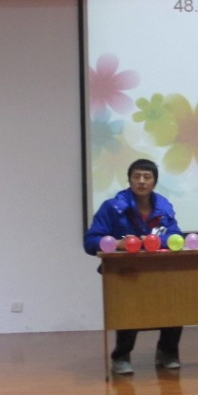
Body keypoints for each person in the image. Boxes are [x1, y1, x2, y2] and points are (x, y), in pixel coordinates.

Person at [83, 159, 183, 375]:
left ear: (154, 181)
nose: (142, 181)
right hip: (125, 271)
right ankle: (121, 356)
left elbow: (176, 237)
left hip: (160, 270)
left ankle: (167, 353)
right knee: (129, 311)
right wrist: (117, 243)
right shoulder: (112, 207)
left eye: (147, 177)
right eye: (137, 176)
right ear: (129, 180)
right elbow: (90, 241)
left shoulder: (164, 208)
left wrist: (155, 241)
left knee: (173, 305)